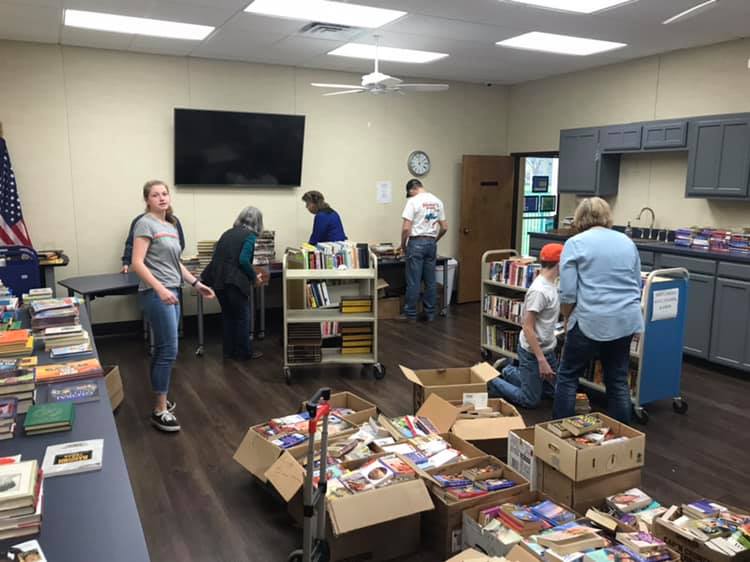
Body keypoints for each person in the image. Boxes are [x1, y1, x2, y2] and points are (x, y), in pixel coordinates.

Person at [131, 180, 215, 432]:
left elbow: (174, 263)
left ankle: (161, 398)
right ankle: (159, 409)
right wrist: (160, 289)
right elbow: (137, 263)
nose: (161, 198)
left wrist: (195, 283)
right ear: (147, 200)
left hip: (172, 291)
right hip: (156, 294)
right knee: (169, 350)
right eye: (155, 195)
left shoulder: (171, 225)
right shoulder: (144, 223)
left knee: (163, 350)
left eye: (164, 193)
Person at [553, 197, 643, 423]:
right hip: (625, 319)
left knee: (568, 376)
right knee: (618, 380)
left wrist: (566, 319)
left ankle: (560, 433)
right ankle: (622, 440)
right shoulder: (626, 242)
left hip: (590, 318)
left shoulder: (575, 243)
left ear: (579, 218)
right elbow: (636, 283)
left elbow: (568, 291)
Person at [488, 243, 564, 409]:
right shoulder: (539, 291)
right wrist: (541, 360)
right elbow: (527, 327)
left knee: (555, 392)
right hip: (532, 351)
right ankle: (492, 379)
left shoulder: (554, 284)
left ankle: (510, 371)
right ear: (560, 263)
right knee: (530, 400)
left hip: (547, 348)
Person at [201, 207, 268, 361]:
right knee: (242, 317)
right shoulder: (250, 236)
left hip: (217, 279)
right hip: (235, 281)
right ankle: (245, 353)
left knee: (228, 316)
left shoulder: (227, 233)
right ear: (258, 222)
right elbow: (243, 260)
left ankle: (229, 352)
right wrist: (254, 277)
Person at [399, 179, 448, 322]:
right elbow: (444, 227)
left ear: (411, 190)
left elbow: (406, 228)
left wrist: (403, 245)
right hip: (431, 243)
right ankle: (430, 313)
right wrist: (434, 239)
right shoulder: (438, 202)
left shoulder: (413, 201)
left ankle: (411, 314)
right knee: (430, 281)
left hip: (416, 243)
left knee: (413, 281)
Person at [121, 213, 185, 273]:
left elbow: (181, 244)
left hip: (171, 269)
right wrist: (126, 263)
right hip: (149, 268)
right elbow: (131, 243)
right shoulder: (141, 222)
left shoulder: (173, 221)